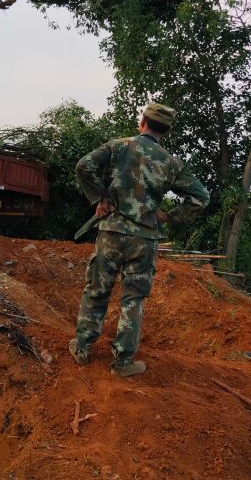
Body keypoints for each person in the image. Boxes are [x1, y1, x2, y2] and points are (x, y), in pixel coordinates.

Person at [69, 103, 210, 377]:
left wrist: (101, 197)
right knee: (133, 301)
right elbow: (201, 197)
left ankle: (83, 349)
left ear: (142, 121)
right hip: (144, 240)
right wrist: (171, 218)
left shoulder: (118, 146)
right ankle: (122, 363)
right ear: (166, 130)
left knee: (97, 290)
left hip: (111, 232)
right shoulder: (170, 163)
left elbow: (83, 166)